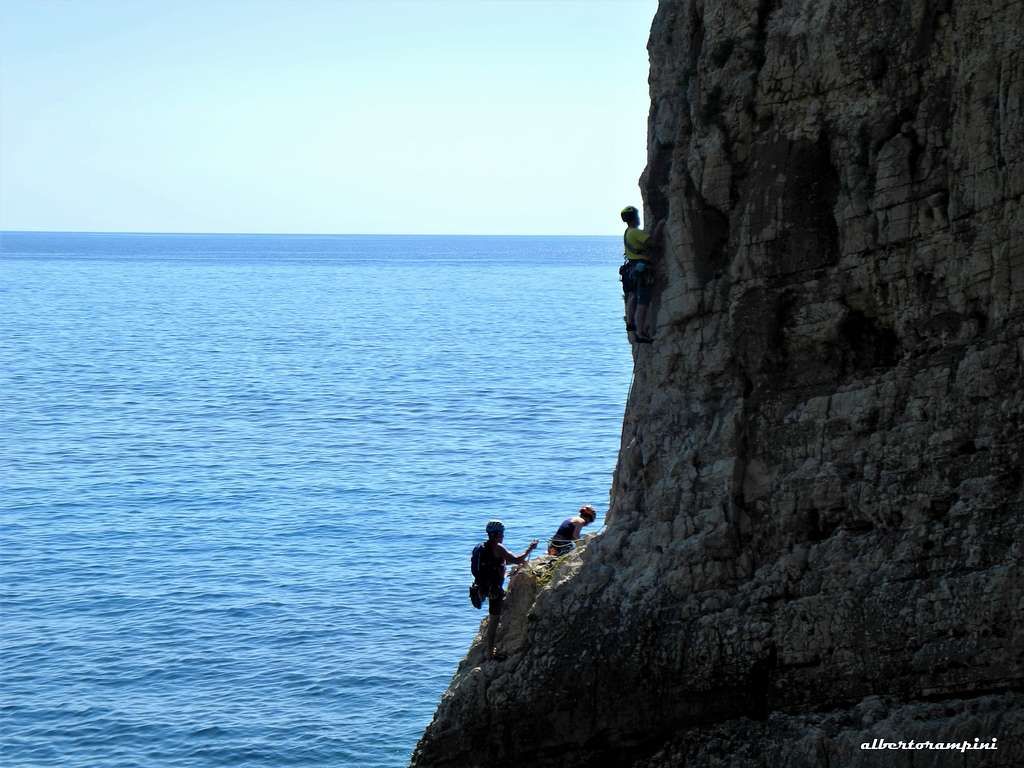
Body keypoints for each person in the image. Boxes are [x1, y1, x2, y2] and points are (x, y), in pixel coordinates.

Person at [478, 520, 538, 660]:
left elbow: (500, 561)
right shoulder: (498, 547)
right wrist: (530, 548)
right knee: (494, 620)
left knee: (496, 615)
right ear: (498, 534)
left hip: (484, 588)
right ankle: (490, 652)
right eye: (502, 533)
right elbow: (517, 559)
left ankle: (489, 647)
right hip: (494, 590)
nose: (503, 535)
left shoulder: (483, 547)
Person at [620, 205, 665, 343]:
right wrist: (660, 226)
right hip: (643, 270)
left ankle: (631, 324)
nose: (639, 218)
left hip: (632, 269)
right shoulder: (636, 233)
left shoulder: (627, 232)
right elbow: (654, 243)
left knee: (633, 296)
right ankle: (640, 332)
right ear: (634, 217)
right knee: (643, 301)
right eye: (637, 215)